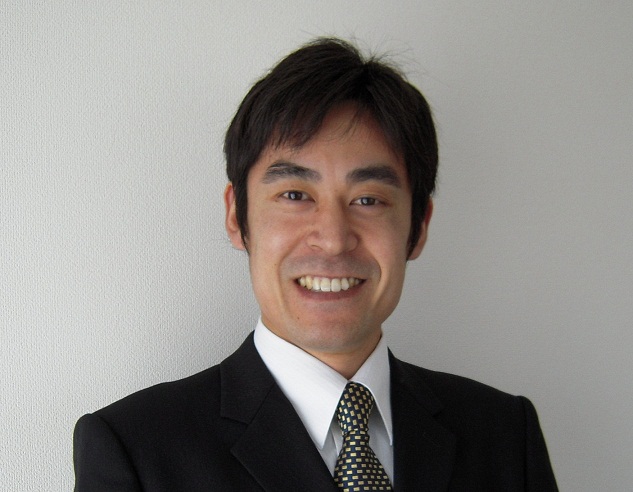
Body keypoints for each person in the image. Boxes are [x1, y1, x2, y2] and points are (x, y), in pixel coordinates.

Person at [73, 38, 558, 491]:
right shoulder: (135, 448)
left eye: (368, 199)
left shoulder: (504, 433)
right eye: (295, 195)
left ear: (419, 226)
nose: (333, 238)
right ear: (237, 216)